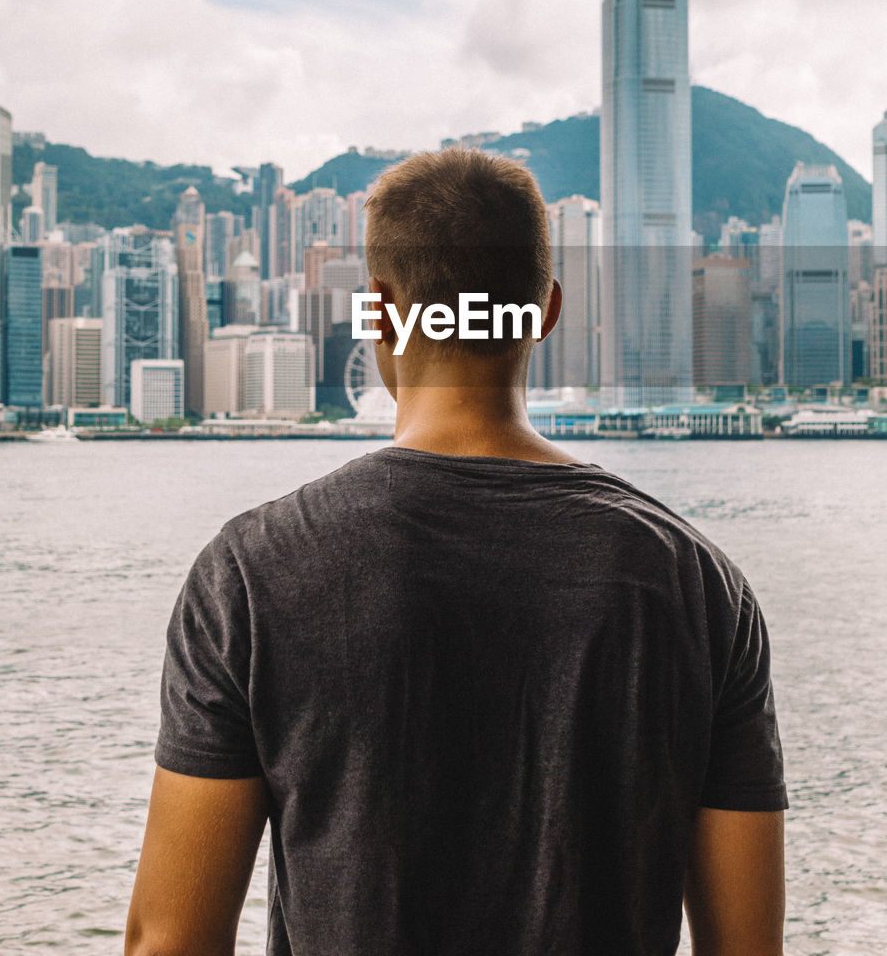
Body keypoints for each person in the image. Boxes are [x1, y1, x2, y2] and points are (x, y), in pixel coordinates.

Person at [125, 149, 787, 956]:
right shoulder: (699, 584)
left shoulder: (250, 573)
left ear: (381, 311)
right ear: (545, 310)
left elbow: (170, 942)